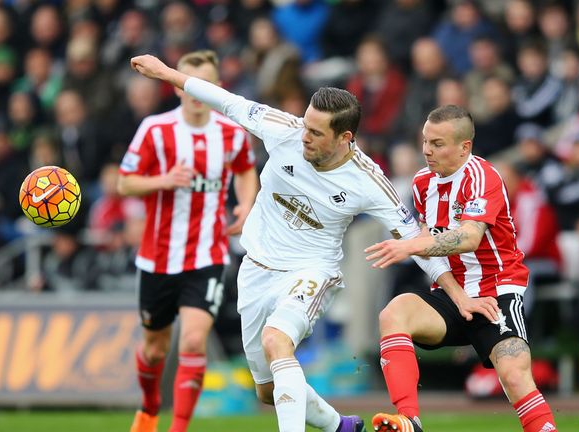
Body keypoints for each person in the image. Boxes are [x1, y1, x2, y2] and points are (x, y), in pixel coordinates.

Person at [130, 55, 496, 432]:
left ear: (344, 138)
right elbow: (227, 101)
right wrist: (167, 74)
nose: (304, 136)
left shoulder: (368, 180)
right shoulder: (284, 130)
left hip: (311, 271)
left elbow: (416, 241)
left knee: (278, 342)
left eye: (316, 133)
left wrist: (456, 293)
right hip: (256, 268)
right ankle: (341, 426)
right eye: (306, 125)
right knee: (268, 391)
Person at [364, 105, 559, 432]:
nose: (427, 150)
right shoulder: (422, 182)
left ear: (464, 146)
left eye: (437, 143)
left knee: (513, 375)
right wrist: (457, 295)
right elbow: (431, 249)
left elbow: (469, 237)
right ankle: (409, 420)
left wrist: (412, 243)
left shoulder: (484, 178)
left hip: (496, 291)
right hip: (453, 293)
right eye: (425, 141)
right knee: (393, 313)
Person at [118, 50, 259, 432]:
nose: (197, 91)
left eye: (206, 83)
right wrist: (162, 181)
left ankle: (177, 428)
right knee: (155, 348)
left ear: (217, 87)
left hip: (207, 254)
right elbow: (124, 182)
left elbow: (246, 171)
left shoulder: (231, 132)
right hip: (157, 257)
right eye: (189, 82)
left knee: (194, 342)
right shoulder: (154, 129)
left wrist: (246, 204)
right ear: (176, 87)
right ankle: (149, 408)